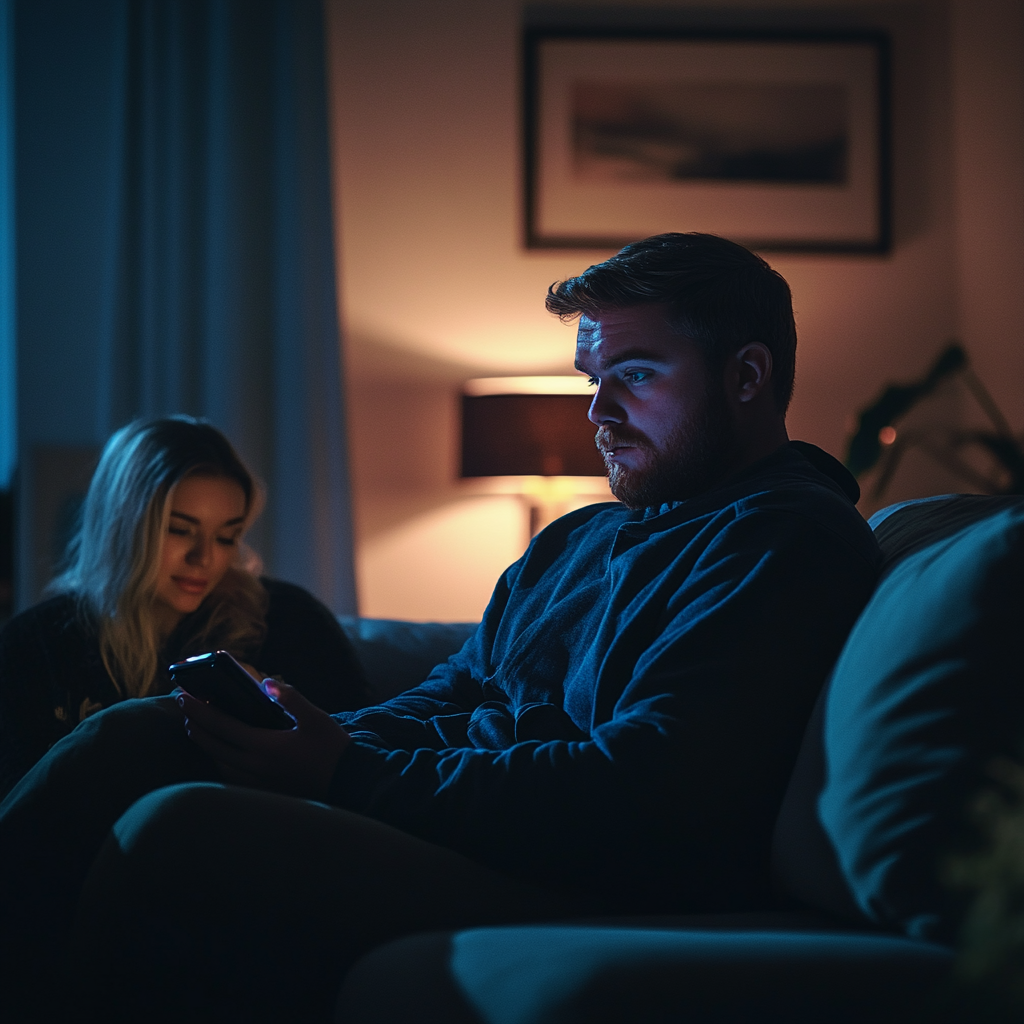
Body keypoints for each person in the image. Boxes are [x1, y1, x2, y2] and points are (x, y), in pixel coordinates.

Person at [0, 233, 881, 1022]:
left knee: (175, 828)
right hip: (455, 817)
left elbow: (645, 793)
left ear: (748, 375)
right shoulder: (582, 535)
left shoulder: (786, 538)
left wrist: (345, 771)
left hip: (570, 873)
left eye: (638, 375)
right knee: (144, 736)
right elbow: (455, 690)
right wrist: (314, 738)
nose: (598, 413)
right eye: (594, 379)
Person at [0, 416, 370, 801]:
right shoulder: (38, 642)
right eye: (179, 529)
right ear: (121, 526)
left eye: (227, 536)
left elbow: (366, 754)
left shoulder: (288, 618)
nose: (204, 558)